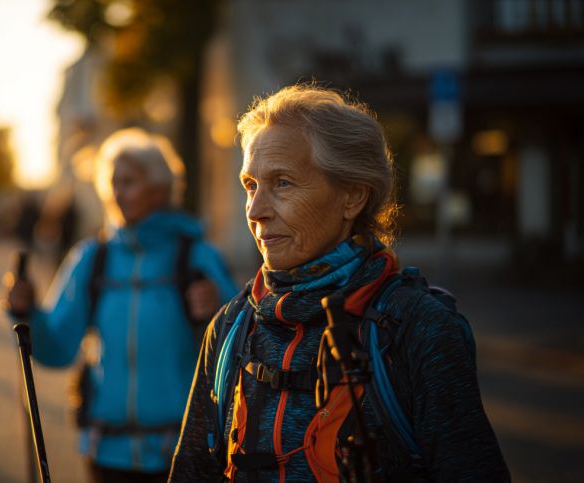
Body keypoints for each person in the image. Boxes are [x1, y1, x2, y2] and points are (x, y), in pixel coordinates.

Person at [169, 85, 509, 482]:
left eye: (282, 183)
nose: (257, 211)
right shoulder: (231, 327)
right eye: (250, 185)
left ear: (352, 197)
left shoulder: (417, 329)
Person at [6, 127, 238, 483]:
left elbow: (241, 346)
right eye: (111, 181)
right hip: (107, 452)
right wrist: (29, 313)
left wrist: (217, 308)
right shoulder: (91, 258)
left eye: (129, 181)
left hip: (184, 453)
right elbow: (57, 348)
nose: (116, 192)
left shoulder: (198, 257)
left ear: (160, 189)